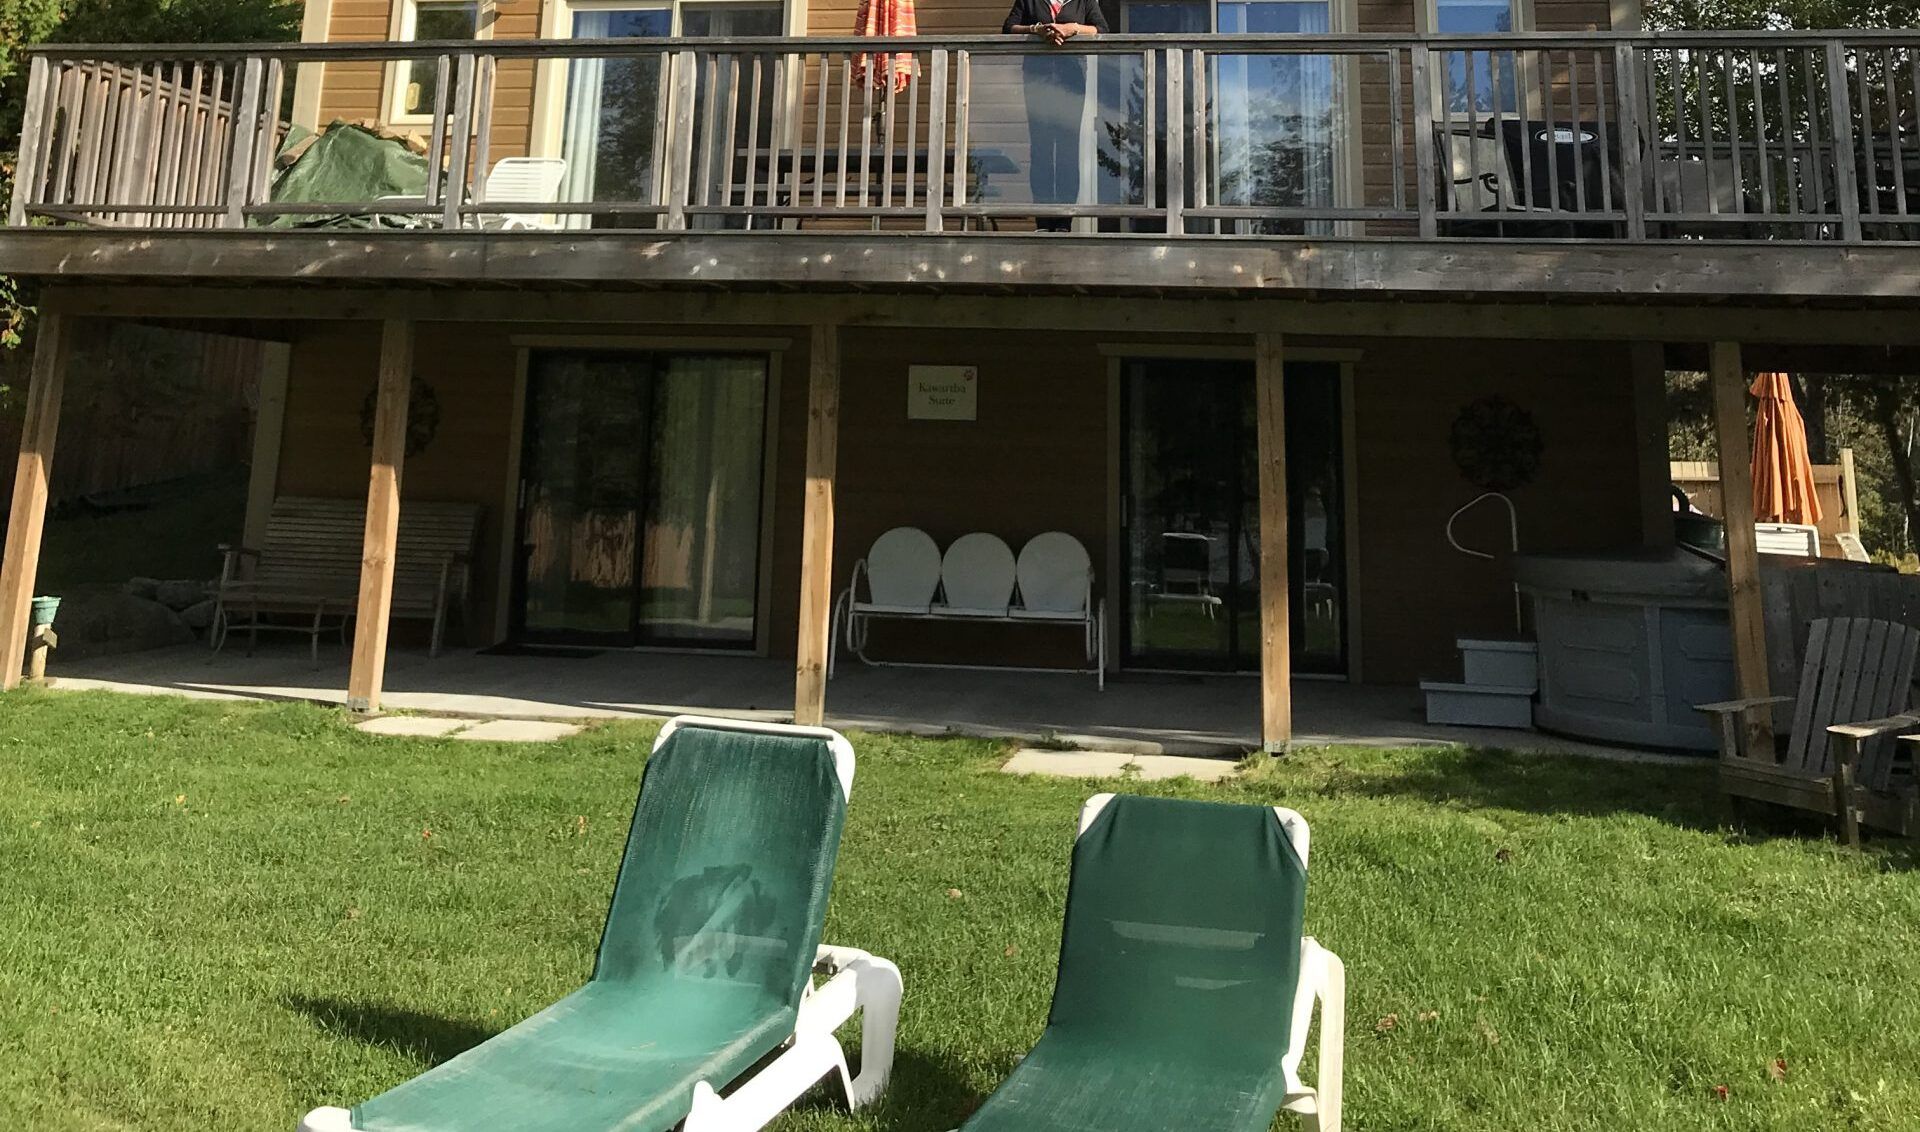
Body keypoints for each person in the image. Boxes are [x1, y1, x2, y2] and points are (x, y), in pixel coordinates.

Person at [1003, 0, 1107, 230]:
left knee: (1068, 151)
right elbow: (1009, 28)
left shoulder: (1083, 1)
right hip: (1037, 80)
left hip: (1072, 82)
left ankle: (1063, 222)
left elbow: (1101, 29)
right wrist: (1036, 29)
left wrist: (1073, 29)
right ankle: (1043, 220)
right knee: (1041, 149)